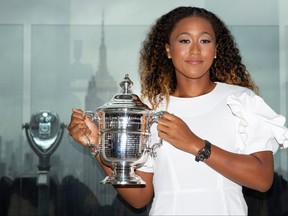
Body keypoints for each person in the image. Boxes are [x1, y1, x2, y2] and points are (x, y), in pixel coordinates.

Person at [67, 6, 288, 215]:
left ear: (216, 50)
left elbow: (262, 179)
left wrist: (194, 143)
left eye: (205, 40)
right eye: (184, 40)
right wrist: (97, 144)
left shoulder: (241, 101)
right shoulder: (149, 109)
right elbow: (140, 197)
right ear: (168, 50)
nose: (195, 50)